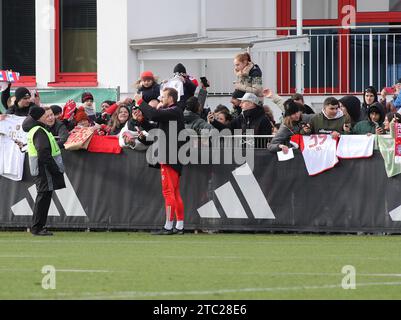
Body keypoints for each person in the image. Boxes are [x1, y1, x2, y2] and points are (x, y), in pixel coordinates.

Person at [134, 87, 185, 235]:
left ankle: (169, 226)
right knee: (174, 192)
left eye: (163, 97)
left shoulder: (174, 110)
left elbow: (153, 114)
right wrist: (142, 120)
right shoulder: (173, 113)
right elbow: (155, 128)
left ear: (171, 99)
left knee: (169, 191)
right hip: (173, 155)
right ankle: (179, 226)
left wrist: (140, 101)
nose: (161, 99)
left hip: (169, 156)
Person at [22, 106, 66, 236]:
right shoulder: (40, 130)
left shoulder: (35, 129)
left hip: (41, 168)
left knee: (43, 197)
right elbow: (43, 152)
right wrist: (54, 168)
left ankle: (38, 227)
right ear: (40, 117)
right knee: (43, 197)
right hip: (44, 169)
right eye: (45, 115)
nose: (48, 117)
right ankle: (37, 227)